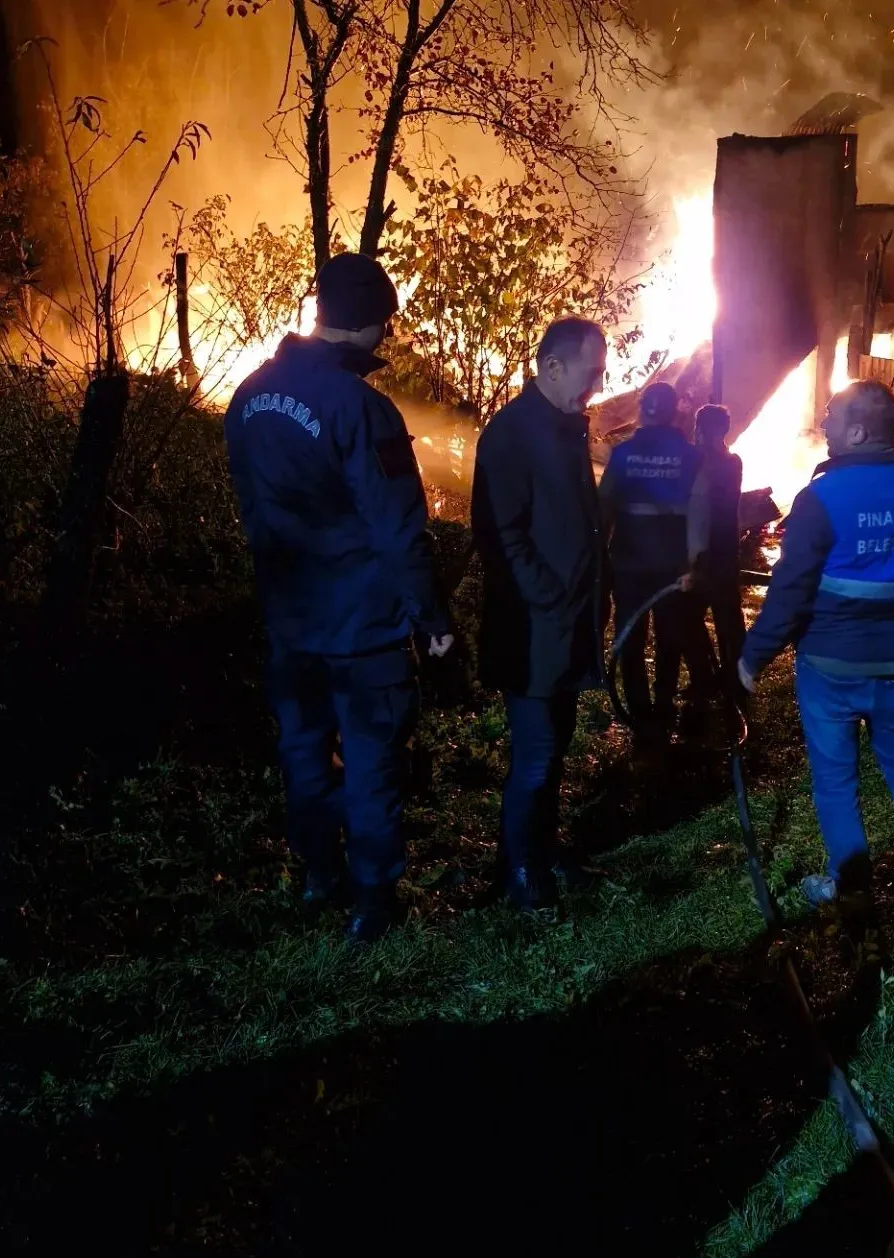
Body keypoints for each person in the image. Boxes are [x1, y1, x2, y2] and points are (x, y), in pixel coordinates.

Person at [224, 251, 454, 945]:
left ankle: (320, 877)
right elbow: (397, 528)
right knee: (373, 759)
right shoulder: (363, 408)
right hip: (363, 627)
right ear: (371, 324)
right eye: (385, 322)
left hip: (292, 622)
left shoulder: (248, 397)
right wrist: (434, 620)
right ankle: (372, 902)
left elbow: (251, 506)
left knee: (302, 753)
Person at [738, 379, 894, 917]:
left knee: (836, 782)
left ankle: (853, 888)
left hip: (830, 668)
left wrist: (750, 659)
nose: (824, 424)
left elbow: (790, 593)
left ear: (857, 431)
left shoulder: (821, 499)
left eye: (831, 417)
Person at [472, 316, 608, 913]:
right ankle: (523, 873)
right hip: (532, 631)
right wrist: (551, 596)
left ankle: (537, 852)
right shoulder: (512, 434)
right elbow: (501, 535)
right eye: (592, 373)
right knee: (534, 753)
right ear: (552, 366)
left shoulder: (564, 429)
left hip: (566, 626)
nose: (598, 386)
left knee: (557, 744)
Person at [599, 382, 714, 742]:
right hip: (673, 566)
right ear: (674, 411)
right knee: (671, 637)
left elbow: (603, 511)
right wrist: (695, 563)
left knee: (630, 636)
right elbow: (700, 514)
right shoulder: (693, 457)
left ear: (641, 409)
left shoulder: (621, 454)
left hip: (629, 563)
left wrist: (599, 555)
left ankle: (640, 713)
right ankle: (663, 706)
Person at [691, 403, 747, 680]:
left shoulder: (703, 461)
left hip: (705, 550)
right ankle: (732, 677)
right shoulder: (733, 461)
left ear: (701, 428)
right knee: (728, 618)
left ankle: (707, 677)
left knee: (690, 616)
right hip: (726, 548)